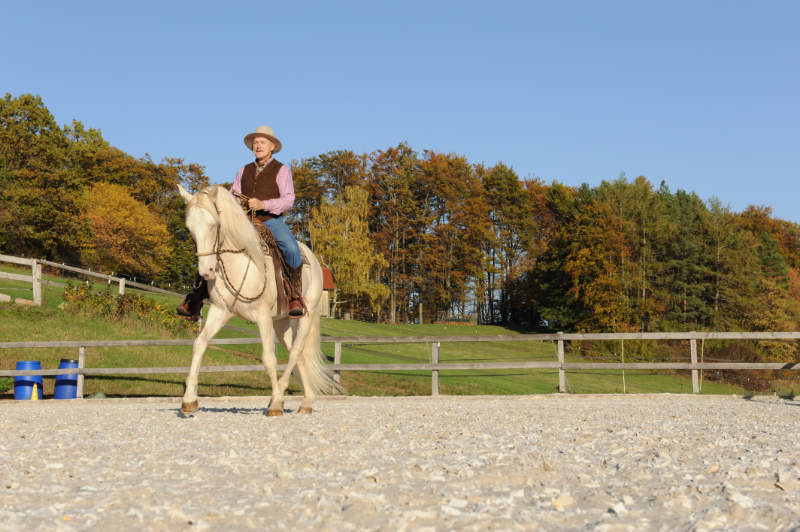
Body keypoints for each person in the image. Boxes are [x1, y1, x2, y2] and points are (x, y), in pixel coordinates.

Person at [176, 125, 305, 319]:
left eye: (262, 142)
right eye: (255, 143)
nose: (258, 146)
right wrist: (232, 201)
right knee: (213, 244)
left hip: (270, 220)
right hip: (243, 221)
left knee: (291, 248)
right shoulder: (243, 170)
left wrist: (263, 203)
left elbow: (288, 199)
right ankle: (196, 296)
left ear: (272, 146)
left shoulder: (282, 170)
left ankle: (294, 295)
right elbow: (231, 194)